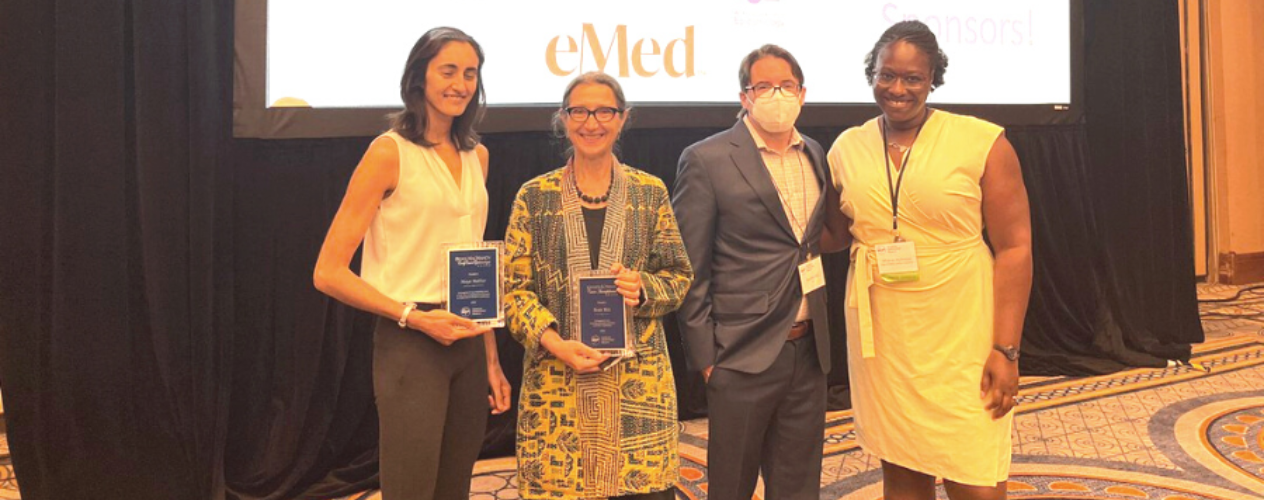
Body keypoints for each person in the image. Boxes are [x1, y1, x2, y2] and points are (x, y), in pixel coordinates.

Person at [826, 20, 1033, 500]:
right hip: (886, 333)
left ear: (933, 79)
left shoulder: (982, 141)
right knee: (901, 469)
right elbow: (835, 235)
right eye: (886, 75)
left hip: (963, 327)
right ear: (871, 75)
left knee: (975, 477)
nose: (897, 89)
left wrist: (1007, 350)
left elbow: (1015, 248)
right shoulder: (847, 148)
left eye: (912, 78)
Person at [311, 27, 512, 500]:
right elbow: (328, 272)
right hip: (410, 341)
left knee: (454, 486)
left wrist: (491, 360)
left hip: (466, 338)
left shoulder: (477, 156)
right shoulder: (388, 152)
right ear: (418, 76)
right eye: (448, 71)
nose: (460, 84)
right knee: (411, 489)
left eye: (470, 74)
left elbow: (473, 268)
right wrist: (413, 317)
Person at [503, 72, 693, 500]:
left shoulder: (650, 193)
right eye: (580, 111)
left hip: (637, 386)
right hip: (557, 386)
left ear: (622, 118)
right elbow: (513, 290)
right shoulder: (534, 197)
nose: (592, 122)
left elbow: (679, 276)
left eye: (604, 111)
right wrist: (554, 342)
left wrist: (643, 287)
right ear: (563, 119)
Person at [672, 44, 842, 500]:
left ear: (802, 93)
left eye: (785, 85)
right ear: (744, 97)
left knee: (797, 487)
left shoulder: (816, 153)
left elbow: (806, 243)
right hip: (739, 355)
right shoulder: (706, 159)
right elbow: (690, 265)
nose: (776, 95)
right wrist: (707, 359)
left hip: (808, 353)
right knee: (731, 487)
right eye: (763, 86)